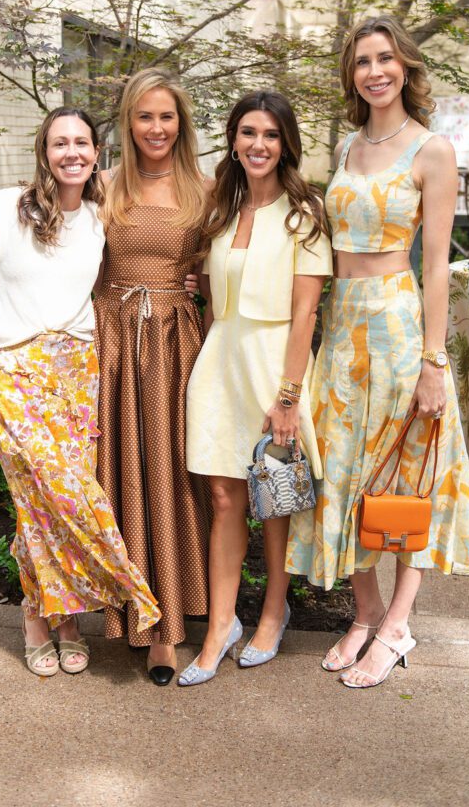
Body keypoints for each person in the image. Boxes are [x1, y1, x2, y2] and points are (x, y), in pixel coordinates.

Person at [0, 107, 160, 677]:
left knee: (48, 503)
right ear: (44, 152)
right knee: (53, 494)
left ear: (96, 153)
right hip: (16, 368)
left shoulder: (107, 213)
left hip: (79, 370)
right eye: (60, 143)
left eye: (82, 143)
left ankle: (56, 619)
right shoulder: (10, 205)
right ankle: (125, 595)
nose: (72, 152)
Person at [287, 15, 469, 689]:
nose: (373, 71)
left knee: (404, 479)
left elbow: (435, 269)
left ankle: (397, 623)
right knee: (341, 473)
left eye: (384, 58)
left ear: (404, 65)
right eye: (361, 61)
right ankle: (362, 613)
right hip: (341, 329)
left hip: (399, 328)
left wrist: (433, 363)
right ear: (351, 74)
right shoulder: (345, 146)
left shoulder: (431, 150)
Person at [179, 91, 332, 687]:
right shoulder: (220, 207)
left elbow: (305, 316)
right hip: (221, 362)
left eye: (270, 134)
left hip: (274, 366)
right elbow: (213, 295)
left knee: (274, 502)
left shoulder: (305, 213)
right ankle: (222, 626)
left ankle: (272, 613)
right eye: (247, 133)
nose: (258, 145)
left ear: (286, 142)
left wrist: (289, 396)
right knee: (224, 501)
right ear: (234, 140)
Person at [94, 67, 211, 686]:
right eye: (145, 116)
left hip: (175, 347)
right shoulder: (103, 185)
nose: (157, 128)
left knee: (170, 478)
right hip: (113, 345)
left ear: (181, 123)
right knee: (120, 477)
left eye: (167, 117)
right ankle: (128, 612)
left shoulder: (207, 188)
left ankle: (169, 629)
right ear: (129, 123)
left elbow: (224, 270)